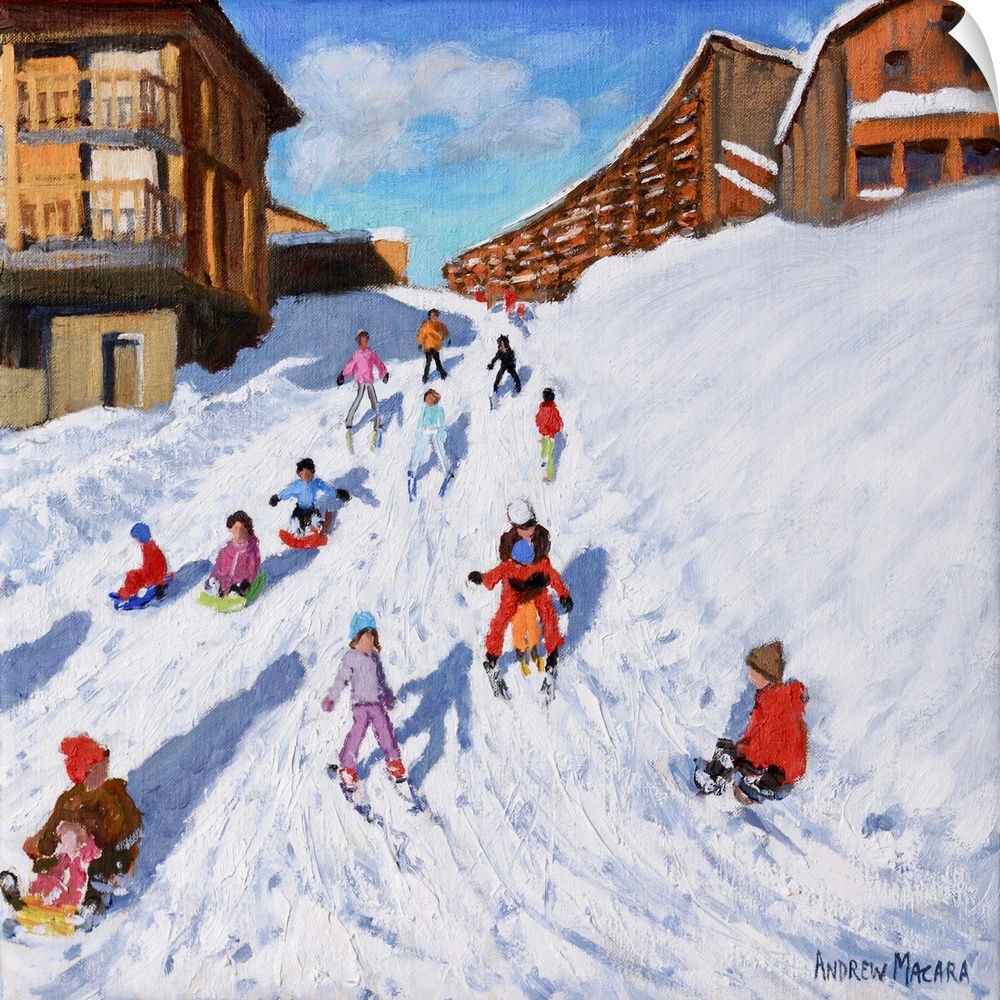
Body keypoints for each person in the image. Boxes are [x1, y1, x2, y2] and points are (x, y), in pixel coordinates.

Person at [1, 735, 142, 916]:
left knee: (88, 871)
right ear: (86, 772)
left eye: (104, 766)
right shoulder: (69, 798)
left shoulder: (111, 794)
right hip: (70, 851)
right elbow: (52, 826)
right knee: (54, 866)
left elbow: (117, 829)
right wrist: (41, 844)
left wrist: (88, 832)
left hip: (103, 852)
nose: (104, 771)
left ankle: (87, 905)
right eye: (98, 768)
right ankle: (31, 897)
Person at [694, 641, 808, 804]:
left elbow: (764, 746)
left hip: (776, 776)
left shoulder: (773, 703)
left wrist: (735, 757)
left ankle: (718, 783)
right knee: (730, 750)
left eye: (754, 671)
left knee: (727, 751)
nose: (750, 675)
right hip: (785, 774)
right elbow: (758, 738)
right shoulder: (778, 698)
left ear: (766, 673)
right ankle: (724, 780)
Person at [322, 611, 407, 790]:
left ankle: (394, 761)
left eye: (372, 635)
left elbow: (381, 679)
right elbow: (341, 679)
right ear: (357, 638)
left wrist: (387, 695)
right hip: (360, 706)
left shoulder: (374, 657)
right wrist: (332, 697)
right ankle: (348, 768)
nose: (370, 639)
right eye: (366, 636)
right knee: (356, 735)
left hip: (376, 704)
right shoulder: (351, 657)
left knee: (385, 731)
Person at [469, 531, 572, 678]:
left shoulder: (540, 564)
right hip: (513, 594)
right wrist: (482, 578)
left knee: (547, 612)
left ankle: (552, 653)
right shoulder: (509, 566)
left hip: (536, 592)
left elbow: (553, 577)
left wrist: (564, 594)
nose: (522, 567)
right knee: (501, 618)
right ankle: (492, 654)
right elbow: (494, 575)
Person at [269, 458, 349, 536]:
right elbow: (288, 491)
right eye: (304, 474)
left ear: (313, 473)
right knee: (295, 521)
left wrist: (337, 493)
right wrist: (278, 498)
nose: (306, 476)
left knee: (314, 520)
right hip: (299, 510)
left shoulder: (316, 482)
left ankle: (315, 531)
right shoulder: (297, 485)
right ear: (299, 474)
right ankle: (297, 534)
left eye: (309, 473)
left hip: (311, 509)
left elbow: (326, 488)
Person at [336, 330, 389, 448]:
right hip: (361, 380)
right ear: (359, 341)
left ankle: (377, 424)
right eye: (362, 340)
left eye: (365, 339)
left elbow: (378, 363)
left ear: (367, 340)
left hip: (369, 380)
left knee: (375, 402)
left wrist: (384, 374)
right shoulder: (357, 354)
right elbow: (350, 365)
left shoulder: (371, 353)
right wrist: (343, 374)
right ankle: (349, 421)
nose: (364, 342)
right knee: (358, 400)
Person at [407, 388, 450, 500]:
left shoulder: (439, 410)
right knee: (420, 447)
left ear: (433, 399)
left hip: (435, 431)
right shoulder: (425, 408)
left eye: (428, 399)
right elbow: (421, 420)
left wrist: (442, 432)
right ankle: (412, 468)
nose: (426, 401)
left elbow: (442, 423)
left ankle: (447, 469)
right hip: (426, 430)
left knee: (439, 448)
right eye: (426, 399)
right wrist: (419, 430)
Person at [206, 510, 261, 597]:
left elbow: (252, 568)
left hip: (239, 583)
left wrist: (247, 582)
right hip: (224, 583)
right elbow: (218, 567)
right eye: (235, 529)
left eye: (241, 529)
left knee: (237, 591)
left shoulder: (251, 550)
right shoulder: (227, 550)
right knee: (213, 586)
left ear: (247, 529)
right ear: (231, 530)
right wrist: (213, 577)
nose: (238, 532)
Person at [114, 522, 169, 600]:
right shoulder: (148, 546)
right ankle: (129, 593)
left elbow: (155, 567)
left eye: (136, 539)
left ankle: (127, 595)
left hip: (154, 576)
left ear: (141, 537)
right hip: (152, 574)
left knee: (132, 575)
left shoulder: (150, 549)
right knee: (133, 574)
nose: (135, 541)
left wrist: (158, 582)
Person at [535, 388, 564, 483]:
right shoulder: (553, 409)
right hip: (551, 436)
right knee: (550, 455)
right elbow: (558, 422)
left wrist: (544, 431)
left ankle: (544, 470)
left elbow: (538, 421)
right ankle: (548, 475)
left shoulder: (542, 409)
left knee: (545, 452)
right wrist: (553, 430)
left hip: (545, 435)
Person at [416, 308, 449, 383]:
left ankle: (440, 370)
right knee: (429, 361)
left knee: (437, 359)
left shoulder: (439, 324)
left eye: (435, 315)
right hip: (428, 346)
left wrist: (447, 338)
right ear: (429, 317)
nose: (434, 317)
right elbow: (421, 333)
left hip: (436, 345)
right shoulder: (426, 325)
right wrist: (420, 343)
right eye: (432, 316)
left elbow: (445, 331)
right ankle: (425, 376)